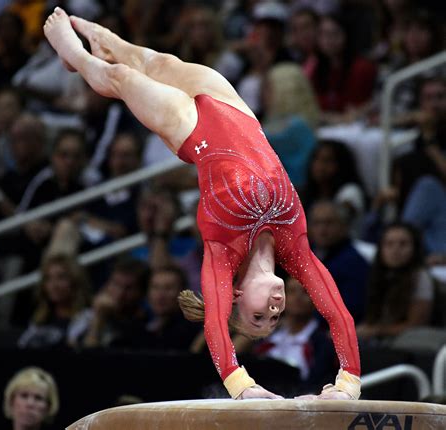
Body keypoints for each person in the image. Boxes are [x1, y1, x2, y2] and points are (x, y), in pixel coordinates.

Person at [43, 7, 361, 401]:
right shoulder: (294, 250)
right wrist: (348, 383)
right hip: (237, 113)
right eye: (274, 318)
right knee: (155, 61)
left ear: (238, 297)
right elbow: (337, 313)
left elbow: (214, 322)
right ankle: (105, 39)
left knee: (121, 78)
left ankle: (74, 56)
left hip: (190, 130)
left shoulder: (223, 252)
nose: (275, 309)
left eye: (259, 316)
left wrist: (240, 386)